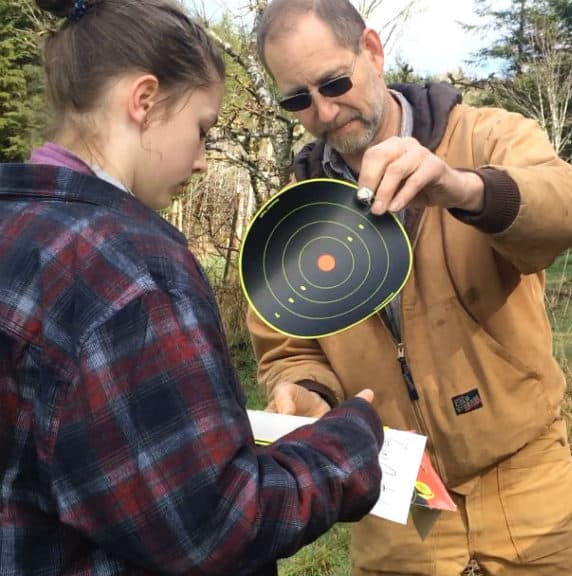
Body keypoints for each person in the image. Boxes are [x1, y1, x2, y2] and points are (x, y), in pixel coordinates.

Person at [0, 1, 385, 574]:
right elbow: (214, 524)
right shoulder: (131, 267)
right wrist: (351, 442)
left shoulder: (18, 223)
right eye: (201, 129)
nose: (203, 161)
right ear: (145, 100)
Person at [251, 1, 572, 574]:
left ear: (371, 49)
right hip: (395, 498)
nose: (322, 110)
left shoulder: (484, 136)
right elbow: (286, 345)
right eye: (297, 99)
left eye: (333, 83)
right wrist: (305, 389)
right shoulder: (292, 220)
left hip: (525, 475)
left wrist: (461, 188)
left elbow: (571, 208)